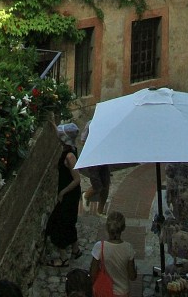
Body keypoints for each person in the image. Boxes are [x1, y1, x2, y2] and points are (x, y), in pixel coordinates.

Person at [45, 122, 82, 265]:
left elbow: (77, 179)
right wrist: (52, 121)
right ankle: (76, 249)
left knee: (57, 224)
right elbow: (59, 134)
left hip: (69, 194)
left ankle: (63, 258)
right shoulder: (71, 148)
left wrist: (62, 192)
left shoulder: (69, 156)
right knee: (70, 221)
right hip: (69, 194)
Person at [90, 211, 137, 297]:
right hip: (122, 291)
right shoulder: (128, 248)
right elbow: (132, 276)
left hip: (104, 291)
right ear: (123, 228)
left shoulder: (99, 247)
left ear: (107, 228)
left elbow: (93, 274)